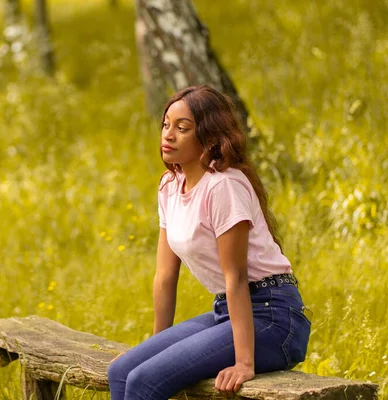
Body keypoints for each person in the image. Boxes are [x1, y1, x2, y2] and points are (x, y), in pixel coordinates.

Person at [107, 85, 311, 400]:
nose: (168, 135)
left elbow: (237, 277)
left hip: (274, 320)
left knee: (143, 383)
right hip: (226, 313)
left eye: (182, 128)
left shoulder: (224, 187)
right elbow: (165, 276)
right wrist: (154, 349)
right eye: (166, 125)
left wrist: (245, 362)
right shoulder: (170, 186)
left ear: (209, 139)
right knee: (121, 373)